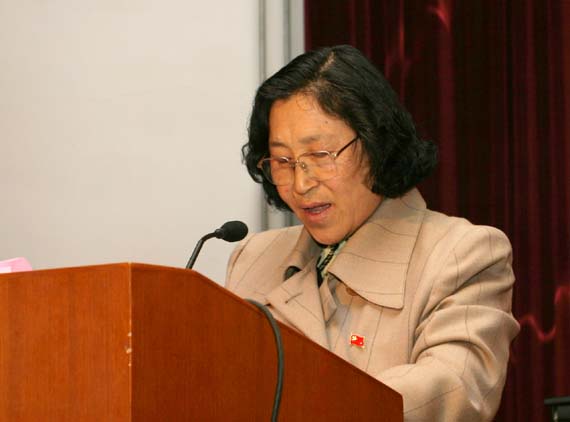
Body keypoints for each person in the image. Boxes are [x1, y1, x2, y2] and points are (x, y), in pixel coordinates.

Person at [225, 45, 519, 421]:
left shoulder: (461, 253)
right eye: (283, 161)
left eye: (320, 156)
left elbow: (454, 389)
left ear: (376, 143)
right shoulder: (253, 258)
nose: (300, 184)